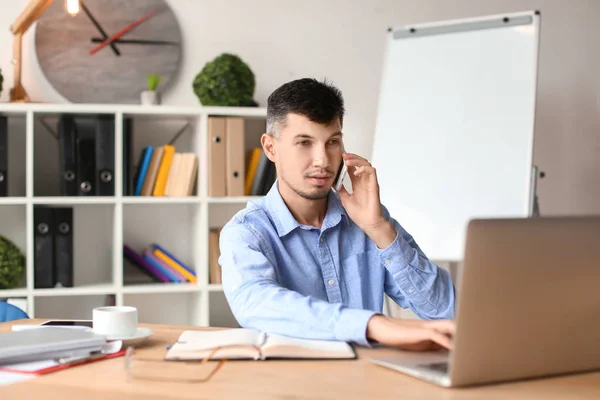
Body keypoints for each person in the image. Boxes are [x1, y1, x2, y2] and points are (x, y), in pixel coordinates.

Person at [219, 78, 456, 351]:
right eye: (304, 142)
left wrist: (379, 228)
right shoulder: (246, 232)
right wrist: (371, 325)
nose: (322, 160)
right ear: (271, 148)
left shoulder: (369, 220)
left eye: (332, 142)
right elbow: (256, 304)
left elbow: (446, 313)